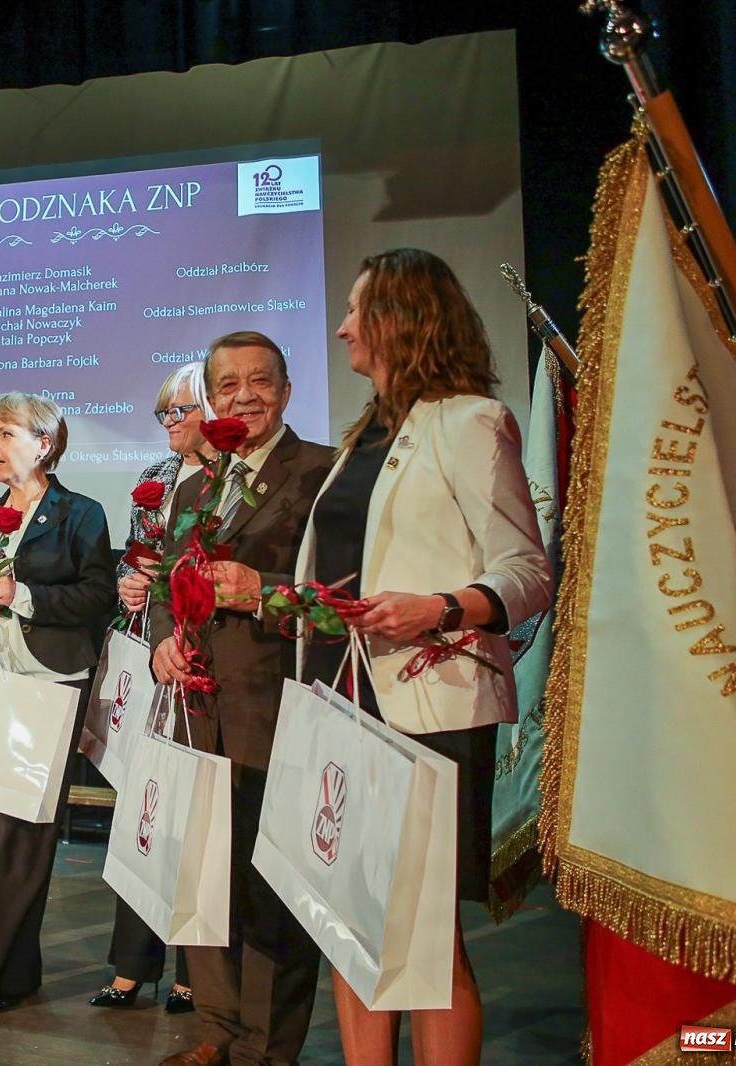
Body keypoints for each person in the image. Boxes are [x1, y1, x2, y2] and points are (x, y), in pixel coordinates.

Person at [299, 249, 552, 1066]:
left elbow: (528, 572)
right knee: (350, 916)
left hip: (426, 704)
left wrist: (438, 609)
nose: (340, 328)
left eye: (355, 311)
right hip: (339, 701)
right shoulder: (364, 436)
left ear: (401, 320)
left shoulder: (470, 421)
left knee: (425, 931)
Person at [149, 331, 335, 1066]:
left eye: (260, 382)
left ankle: (266, 1048)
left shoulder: (324, 472)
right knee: (206, 875)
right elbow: (169, 579)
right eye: (227, 385)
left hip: (278, 707)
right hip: (199, 711)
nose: (243, 396)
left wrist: (263, 597)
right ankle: (216, 1032)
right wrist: (164, 634)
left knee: (274, 891)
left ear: (286, 392)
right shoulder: (195, 488)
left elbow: (336, 596)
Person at [0, 392, 117, 1013]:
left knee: (21, 832)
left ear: (44, 442)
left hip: (51, 684)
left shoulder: (81, 513)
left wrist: (21, 595)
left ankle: (9, 971)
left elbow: (98, 595)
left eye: (5, 433)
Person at [95, 362, 214, 1012]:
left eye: (179, 411)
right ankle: (131, 963)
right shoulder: (154, 479)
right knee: (144, 807)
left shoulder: (229, 480)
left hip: (202, 659)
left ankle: (194, 966)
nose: (169, 423)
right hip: (150, 654)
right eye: (162, 413)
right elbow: (137, 559)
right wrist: (131, 582)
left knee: (195, 816)